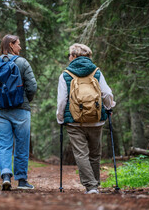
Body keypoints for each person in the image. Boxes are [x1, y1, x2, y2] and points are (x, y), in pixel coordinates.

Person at [56, 43, 116, 194]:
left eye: (70, 55)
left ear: (75, 56)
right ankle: (94, 184)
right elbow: (107, 94)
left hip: (74, 121)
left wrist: (60, 118)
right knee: (95, 153)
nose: (69, 57)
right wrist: (109, 107)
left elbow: (62, 101)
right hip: (96, 119)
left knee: (81, 153)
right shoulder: (96, 72)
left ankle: (91, 186)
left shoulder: (65, 75)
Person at [0, 34, 37, 191]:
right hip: (21, 110)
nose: (20, 47)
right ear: (11, 45)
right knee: (22, 144)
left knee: (4, 145)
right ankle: (21, 181)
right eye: (18, 44)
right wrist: (26, 100)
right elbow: (32, 87)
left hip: (0, 111)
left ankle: (6, 176)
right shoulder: (23, 63)